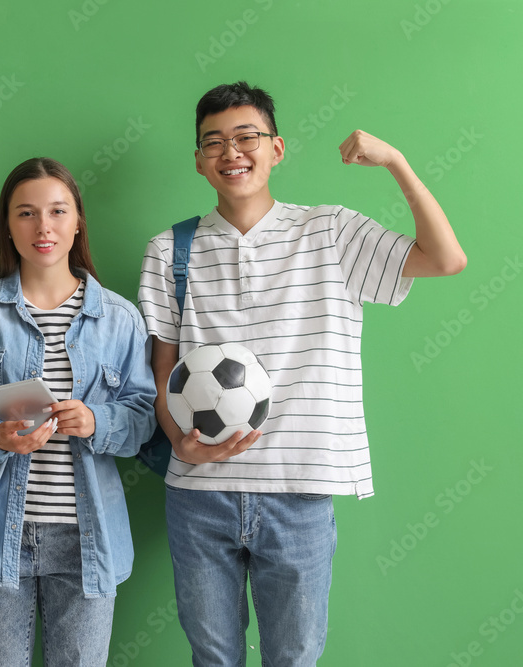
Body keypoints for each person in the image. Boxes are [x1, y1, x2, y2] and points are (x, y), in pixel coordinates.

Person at [138, 81, 466, 665]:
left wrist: (396, 162)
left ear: (278, 148)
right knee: (212, 657)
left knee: (294, 658)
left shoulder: (331, 231)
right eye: (214, 142)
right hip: (199, 496)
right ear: (198, 160)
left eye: (247, 137)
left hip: (302, 488)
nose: (231, 152)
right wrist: (180, 445)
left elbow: (445, 259)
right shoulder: (170, 250)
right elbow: (163, 370)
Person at [0, 157, 156, 666]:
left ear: (78, 221)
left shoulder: (119, 319)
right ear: (7, 223)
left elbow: (143, 418)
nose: (42, 227)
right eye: (26, 213)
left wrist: (98, 422)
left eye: (57, 211)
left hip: (88, 541)